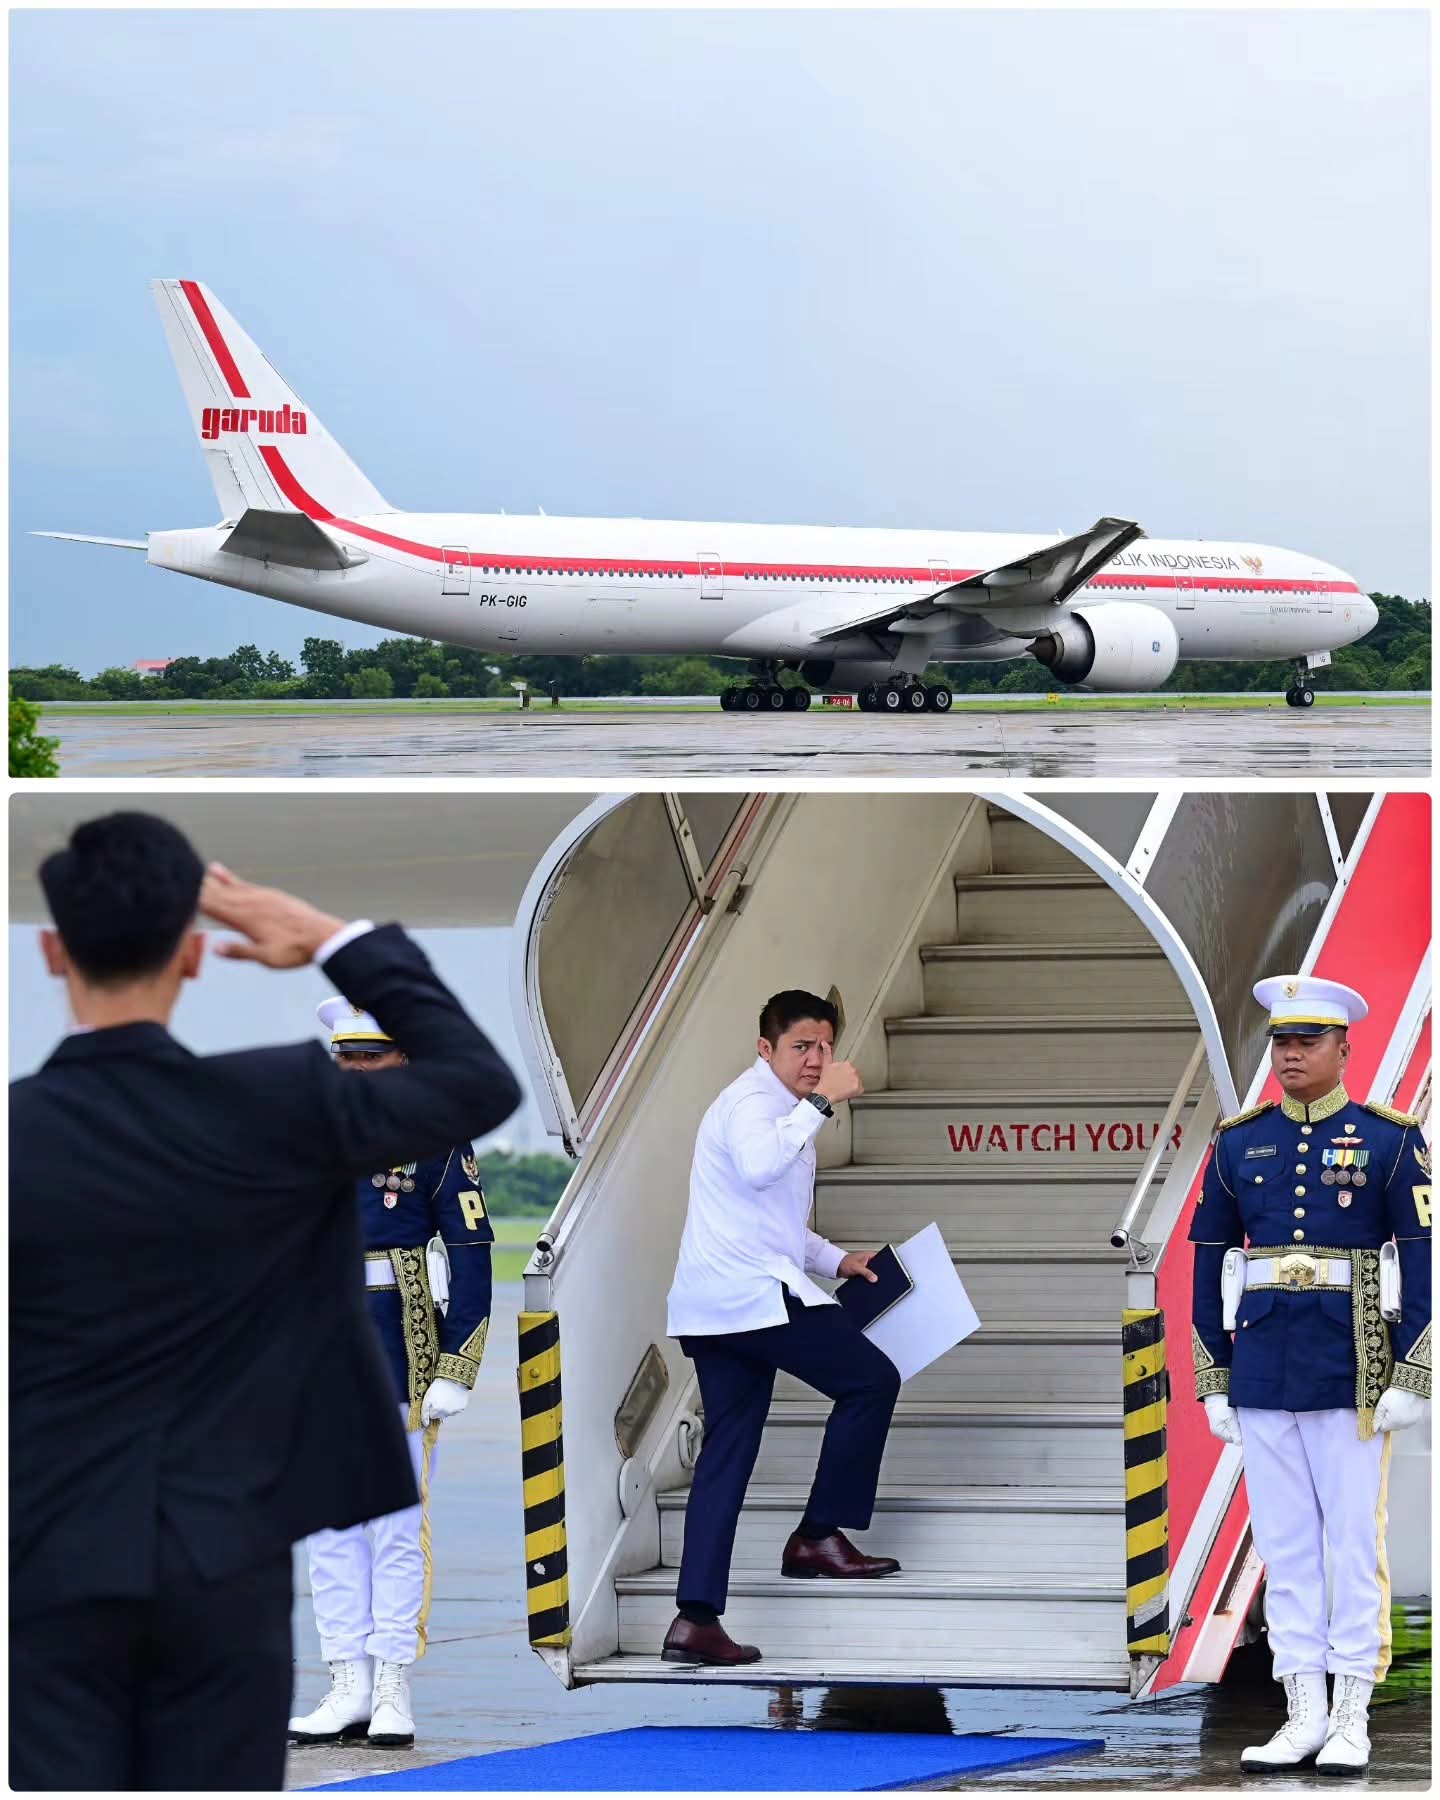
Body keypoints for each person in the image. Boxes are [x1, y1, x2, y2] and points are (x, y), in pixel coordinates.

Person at [9, 812, 521, 1791]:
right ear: (195, 953)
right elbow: (477, 1082)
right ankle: (350, 1677)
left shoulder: (16, 1134)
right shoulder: (280, 1104)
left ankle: (384, 1679)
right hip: (223, 1559)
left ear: (51, 950)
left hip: (51, 1553)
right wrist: (334, 940)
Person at [1189, 974, 1430, 1774]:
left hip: (1353, 1364)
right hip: (1264, 1365)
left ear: (1343, 1048)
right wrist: (1214, 1375)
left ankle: (1352, 1714)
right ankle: (1303, 1713)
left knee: (1353, 1544)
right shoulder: (1240, 1141)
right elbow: (1209, 1263)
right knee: (1285, 1546)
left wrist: (1413, 1372)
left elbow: (1424, 1262)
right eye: (1281, 1042)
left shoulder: (1389, 1139)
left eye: (1307, 1041)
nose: (1290, 1055)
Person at [661, 989, 903, 1667]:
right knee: (871, 1380)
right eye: (802, 1047)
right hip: (749, 1299)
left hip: (722, 1305)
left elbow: (775, 1225)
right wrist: (822, 1102)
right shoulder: (752, 1103)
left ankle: (695, 1620)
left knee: (726, 1455)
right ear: (765, 1048)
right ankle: (817, 1536)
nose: (817, 1059)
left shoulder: (782, 1109)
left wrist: (837, 1260)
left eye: (826, 1046)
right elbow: (760, 1165)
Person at [288, 1001, 496, 1749]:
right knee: (330, 1526)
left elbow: (471, 1254)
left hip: (398, 1345)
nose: (355, 1069)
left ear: (404, 1058)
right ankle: (345, 1679)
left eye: (370, 1056)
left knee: (396, 1527)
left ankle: (391, 1684)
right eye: (345, 1057)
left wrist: (457, 1364)